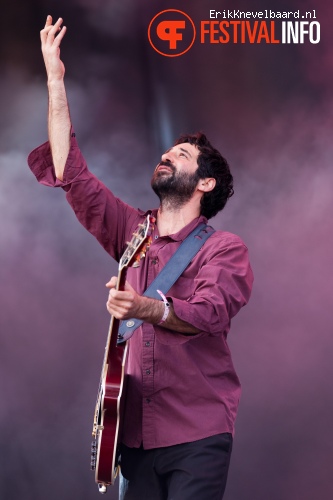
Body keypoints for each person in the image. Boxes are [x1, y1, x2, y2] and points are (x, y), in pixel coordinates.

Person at [28, 16, 254, 500]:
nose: (167, 157)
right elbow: (72, 172)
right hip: (132, 435)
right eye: (167, 152)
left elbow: (210, 313)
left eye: (181, 156)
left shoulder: (224, 249)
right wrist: (54, 80)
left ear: (206, 183)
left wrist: (144, 307)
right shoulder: (134, 233)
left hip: (197, 432)